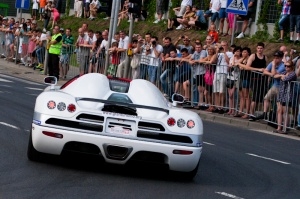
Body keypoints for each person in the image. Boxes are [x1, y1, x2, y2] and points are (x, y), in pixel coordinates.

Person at [256, 51, 286, 120]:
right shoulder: (272, 63)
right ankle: (265, 113)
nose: (275, 59)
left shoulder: (283, 65)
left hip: (281, 87)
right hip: (275, 85)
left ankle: (279, 119)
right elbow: (266, 71)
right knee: (266, 98)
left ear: (281, 58)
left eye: (277, 58)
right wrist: (270, 74)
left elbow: (274, 73)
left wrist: (273, 66)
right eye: (274, 57)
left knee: (279, 104)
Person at [244, 42, 268, 121]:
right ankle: (251, 114)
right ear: (256, 48)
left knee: (262, 97)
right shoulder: (253, 56)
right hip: (254, 79)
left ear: (263, 49)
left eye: (261, 48)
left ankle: (260, 115)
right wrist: (258, 69)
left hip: (263, 79)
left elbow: (266, 68)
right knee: (254, 97)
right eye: (258, 48)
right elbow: (247, 67)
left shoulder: (265, 57)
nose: (259, 50)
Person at [273, 60, 297, 134]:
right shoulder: (284, 72)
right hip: (281, 93)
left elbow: (286, 79)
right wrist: (280, 75)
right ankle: (279, 127)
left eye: (288, 66)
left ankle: (285, 128)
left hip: (287, 94)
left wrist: (282, 76)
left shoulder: (293, 74)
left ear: (292, 67)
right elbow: (275, 75)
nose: (286, 67)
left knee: (285, 111)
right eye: (285, 66)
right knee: (279, 110)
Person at [188, 42, 207, 109]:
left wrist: (194, 61)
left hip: (203, 72)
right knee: (199, 89)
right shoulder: (195, 53)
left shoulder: (203, 52)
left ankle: (204, 103)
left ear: (201, 47)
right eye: (196, 47)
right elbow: (190, 60)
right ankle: (200, 103)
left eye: (199, 47)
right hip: (197, 73)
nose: (198, 49)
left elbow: (201, 60)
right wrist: (191, 61)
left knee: (204, 89)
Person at [235, 47, 251, 118]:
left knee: (247, 96)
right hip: (242, 77)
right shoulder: (243, 59)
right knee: (242, 96)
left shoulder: (249, 59)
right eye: (243, 52)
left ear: (248, 53)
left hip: (247, 78)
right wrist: (240, 64)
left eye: (245, 52)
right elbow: (236, 63)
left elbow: (247, 67)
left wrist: (241, 65)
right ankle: (240, 111)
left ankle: (247, 113)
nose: (243, 53)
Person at [227, 46, 242, 115]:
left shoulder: (241, 59)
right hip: (230, 77)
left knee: (232, 94)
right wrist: (233, 57)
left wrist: (233, 62)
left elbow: (233, 65)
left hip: (236, 78)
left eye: (238, 51)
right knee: (230, 95)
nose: (237, 53)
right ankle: (230, 109)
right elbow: (231, 65)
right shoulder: (232, 58)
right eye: (236, 51)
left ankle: (234, 109)